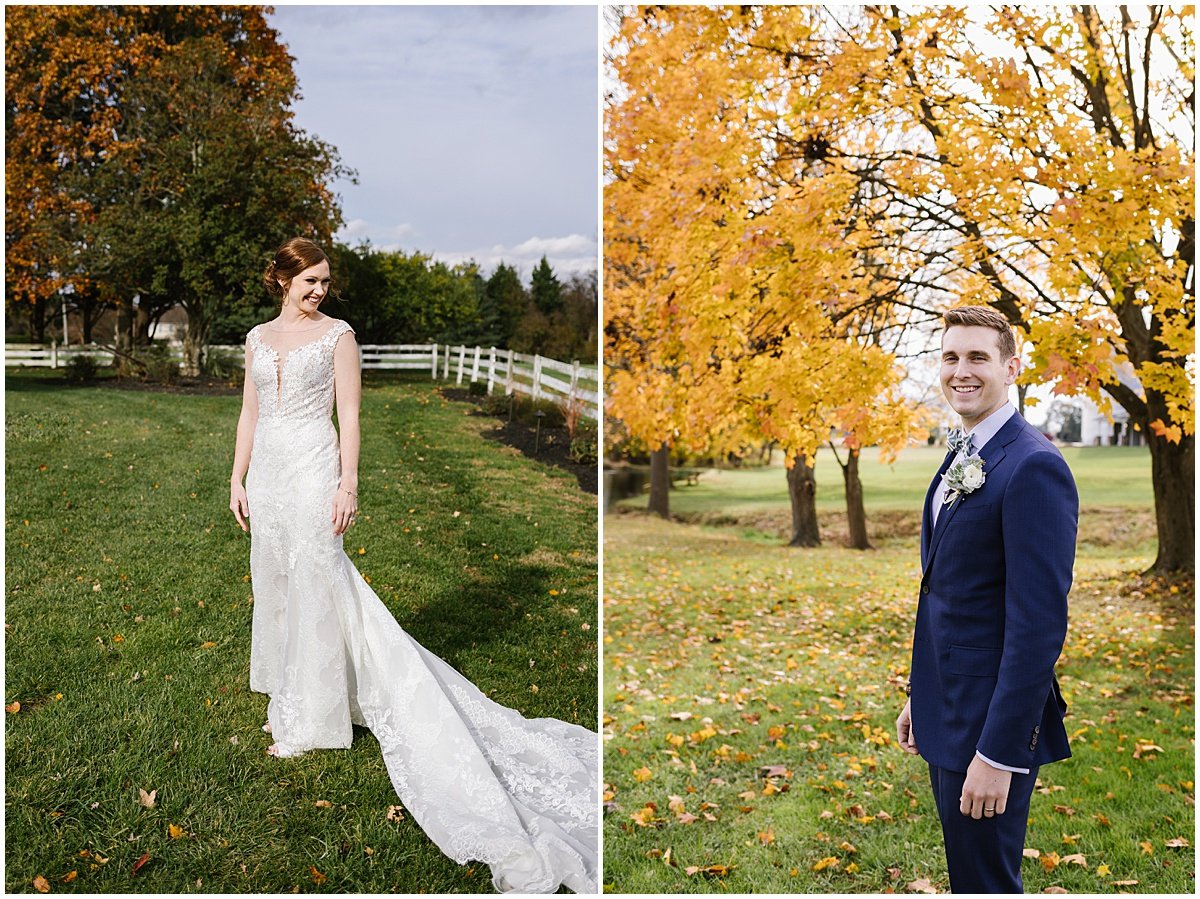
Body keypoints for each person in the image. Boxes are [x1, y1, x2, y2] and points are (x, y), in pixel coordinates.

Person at [228, 237, 597, 894]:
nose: (319, 290)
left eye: (324, 280)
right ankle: (293, 686)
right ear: (281, 277)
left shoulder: (340, 337)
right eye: (309, 279)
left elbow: (351, 417)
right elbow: (250, 411)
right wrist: (237, 477)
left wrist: (348, 485)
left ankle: (312, 720)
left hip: (315, 470)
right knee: (279, 584)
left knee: (320, 580)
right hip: (270, 476)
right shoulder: (256, 338)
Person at [895, 305, 1077, 893]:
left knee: (986, 882)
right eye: (950, 357)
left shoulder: (1032, 466)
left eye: (978, 357)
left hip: (989, 725)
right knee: (968, 876)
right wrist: (919, 695)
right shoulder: (967, 450)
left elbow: (1038, 629)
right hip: (949, 704)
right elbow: (950, 595)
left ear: (1011, 367)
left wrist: (1000, 756)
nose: (961, 370)